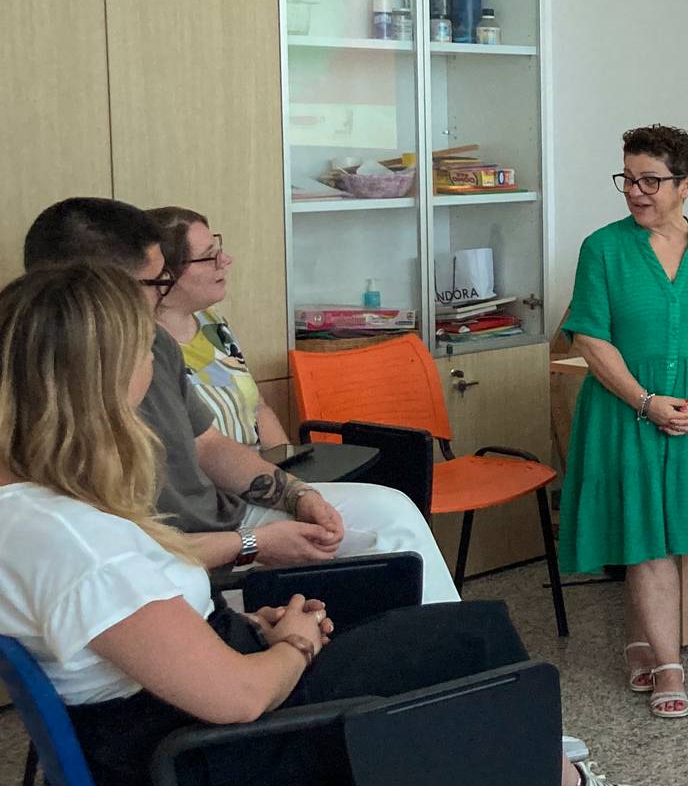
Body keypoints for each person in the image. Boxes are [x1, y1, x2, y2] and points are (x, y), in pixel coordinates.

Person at [0, 263, 657, 786]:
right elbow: (236, 699)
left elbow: (134, 635)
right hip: (193, 774)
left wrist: (244, 626)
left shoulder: (30, 510)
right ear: (98, 377)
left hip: (156, 742)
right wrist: (296, 643)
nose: (152, 364)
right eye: (138, 351)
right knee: (466, 666)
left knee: (459, 641)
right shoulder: (79, 543)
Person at [22, 198, 460, 602]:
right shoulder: (49, 399)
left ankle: (443, 639)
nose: (162, 292)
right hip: (181, 557)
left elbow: (208, 444)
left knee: (390, 511)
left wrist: (297, 494)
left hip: (226, 519)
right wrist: (251, 545)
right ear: (98, 290)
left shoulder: (155, 342)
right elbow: (125, 553)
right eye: (155, 282)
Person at [558, 125, 688, 721]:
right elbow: (589, 338)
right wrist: (645, 401)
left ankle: (642, 641)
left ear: (687, 185)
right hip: (626, 412)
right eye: (628, 179)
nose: (635, 192)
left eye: (650, 181)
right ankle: (670, 665)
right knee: (646, 535)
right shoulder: (602, 249)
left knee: (667, 532)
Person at [148, 206, 285, 449]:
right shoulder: (142, 347)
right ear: (164, 276)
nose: (225, 260)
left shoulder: (212, 323)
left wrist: (288, 465)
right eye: (209, 256)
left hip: (258, 469)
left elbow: (258, 407)